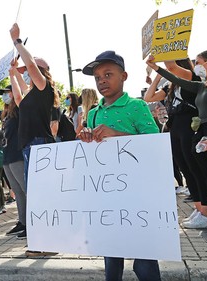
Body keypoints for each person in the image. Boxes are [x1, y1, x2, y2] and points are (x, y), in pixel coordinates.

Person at [79, 50, 161, 281]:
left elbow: (154, 145)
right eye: (97, 77)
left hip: (137, 195)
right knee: (111, 255)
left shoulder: (137, 106)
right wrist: (86, 137)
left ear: (123, 76)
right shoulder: (94, 113)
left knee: (144, 259)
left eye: (108, 74)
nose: (102, 80)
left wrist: (117, 135)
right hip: (107, 196)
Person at [147, 49, 207, 248]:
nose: (196, 65)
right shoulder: (201, 86)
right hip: (203, 132)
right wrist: (154, 67)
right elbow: (172, 76)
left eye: (199, 61)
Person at [144, 59, 207, 229]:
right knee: (185, 168)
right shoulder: (171, 86)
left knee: (195, 168)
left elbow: (171, 67)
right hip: (175, 126)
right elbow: (149, 97)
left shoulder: (191, 78)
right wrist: (156, 76)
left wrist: (163, 55)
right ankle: (199, 209)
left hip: (189, 124)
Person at [10, 22, 60, 256]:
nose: (27, 73)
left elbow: (30, 64)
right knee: (37, 196)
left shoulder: (44, 87)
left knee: (42, 195)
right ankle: (43, 242)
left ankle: (48, 243)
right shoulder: (32, 93)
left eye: (31, 71)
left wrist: (17, 42)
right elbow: (18, 98)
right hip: (31, 146)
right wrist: (12, 74)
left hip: (40, 144)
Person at [0, 84, 27, 238]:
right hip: (7, 155)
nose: (5, 96)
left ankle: (32, 223)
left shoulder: (21, 110)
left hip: (18, 154)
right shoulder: (6, 113)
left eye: (7, 92)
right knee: (17, 191)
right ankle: (23, 222)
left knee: (25, 190)